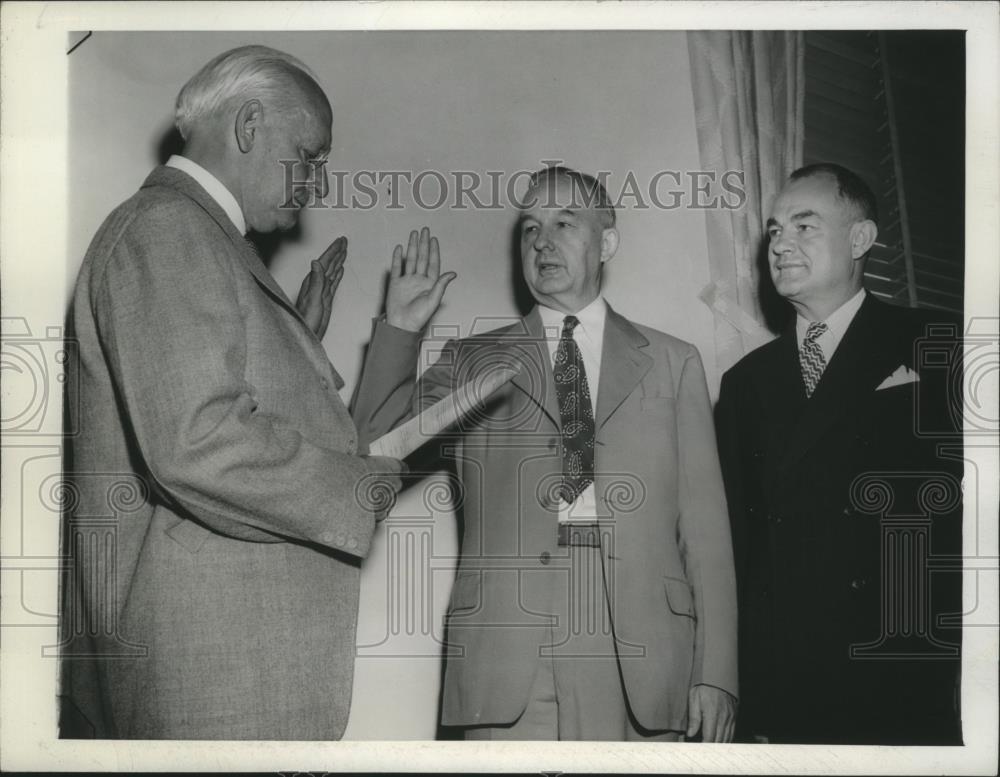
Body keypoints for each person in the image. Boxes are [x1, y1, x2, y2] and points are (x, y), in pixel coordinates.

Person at [59, 45, 407, 740]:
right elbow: (197, 441)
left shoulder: (198, 238)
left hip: (226, 669)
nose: (315, 181)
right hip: (211, 678)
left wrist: (297, 337)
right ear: (249, 125)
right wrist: (356, 490)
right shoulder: (166, 228)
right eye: (307, 155)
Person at [352, 166, 738, 741]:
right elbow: (373, 455)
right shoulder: (471, 360)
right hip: (508, 663)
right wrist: (401, 330)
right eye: (529, 227)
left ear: (607, 241)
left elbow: (706, 534)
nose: (541, 240)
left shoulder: (672, 362)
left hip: (642, 664)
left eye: (564, 222)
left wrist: (717, 673)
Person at [715, 163, 963, 745]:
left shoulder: (937, 344)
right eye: (774, 231)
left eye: (804, 226)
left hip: (901, 670)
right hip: (785, 678)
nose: (781, 245)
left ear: (860, 240)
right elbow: (737, 546)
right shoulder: (745, 382)